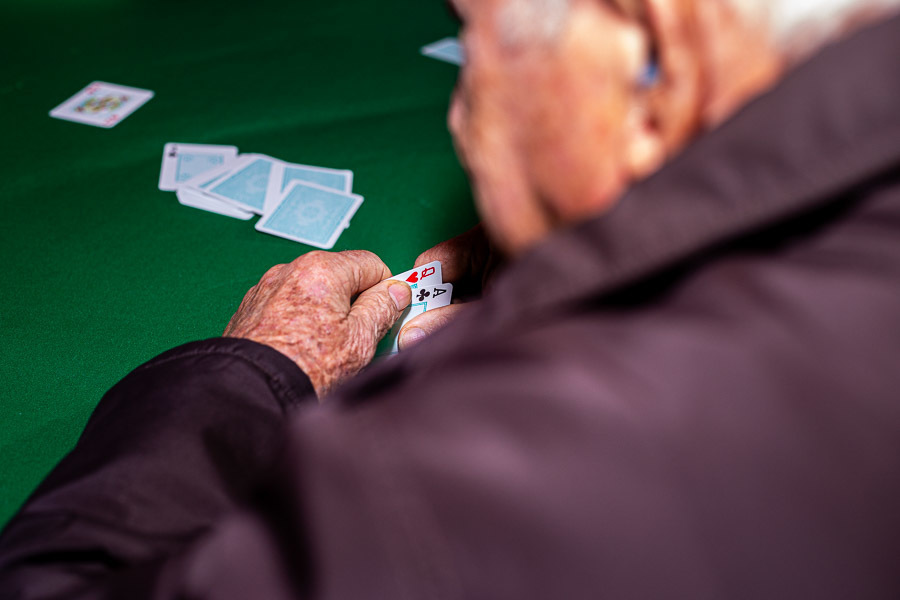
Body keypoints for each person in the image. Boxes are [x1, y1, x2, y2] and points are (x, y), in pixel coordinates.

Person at [3, 0, 900, 597]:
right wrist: (599, 241)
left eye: (472, 40)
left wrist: (257, 371)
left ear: (651, 60)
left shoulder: (464, 478)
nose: (456, 115)